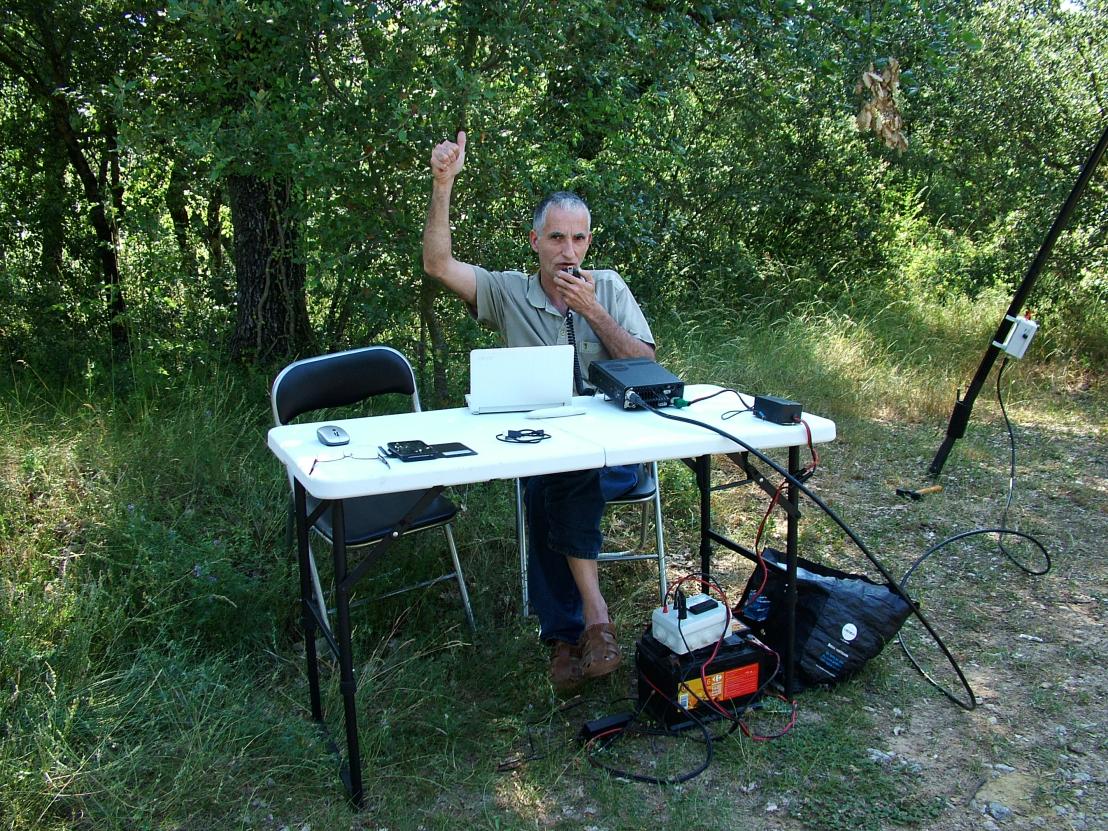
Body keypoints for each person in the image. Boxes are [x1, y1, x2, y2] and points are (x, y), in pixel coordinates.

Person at [422, 131, 657, 691]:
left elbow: (646, 365)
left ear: (588, 242)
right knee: (551, 476)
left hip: (616, 459)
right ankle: (588, 627)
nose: (568, 252)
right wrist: (442, 184)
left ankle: (567, 635)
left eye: (577, 239)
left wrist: (594, 313)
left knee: (552, 484)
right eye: (556, 238)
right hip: (545, 455)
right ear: (535, 242)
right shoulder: (508, 293)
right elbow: (438, 264)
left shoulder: (610, 290)